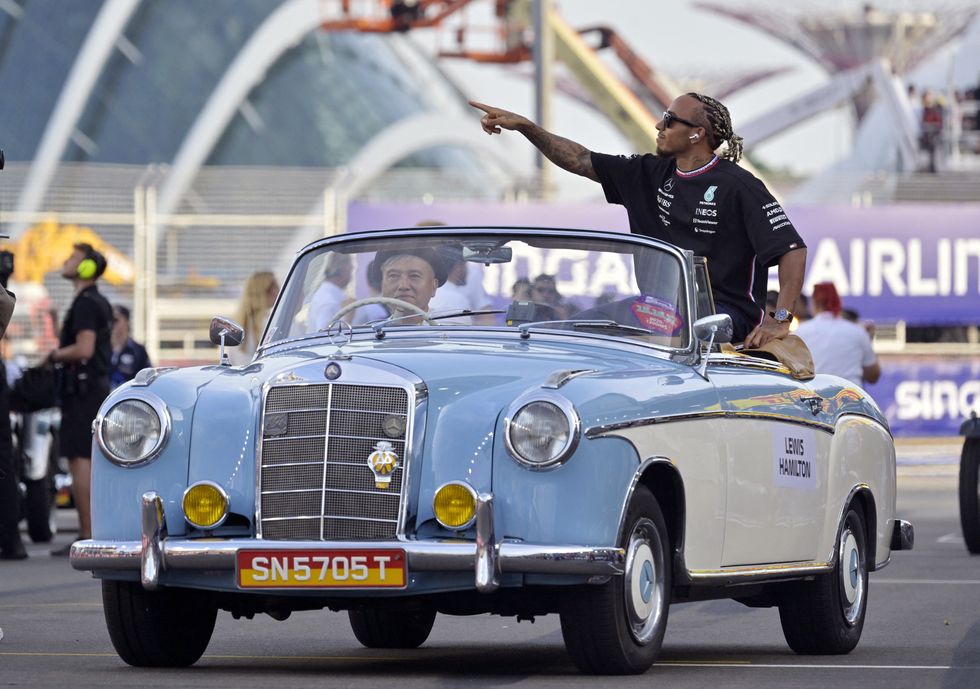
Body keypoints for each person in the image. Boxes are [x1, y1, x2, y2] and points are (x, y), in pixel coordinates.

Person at [470, 93, 807, 347]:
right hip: (656, 309)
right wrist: (527, 127)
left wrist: (780, 320)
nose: (659, 126)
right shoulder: (648, 172)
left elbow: (792, 250)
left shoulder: (740, 185)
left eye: (670, 119)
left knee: (667, 328)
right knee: (567, 334)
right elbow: (580, 159)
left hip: (723, 314)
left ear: (696, 134)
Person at [46, 243, 113, 556]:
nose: (66, 260)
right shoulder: (94, 301)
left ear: (87, 267)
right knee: (82, 460)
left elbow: (84, 349)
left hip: (83, 392)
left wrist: (53, 355)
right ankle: (88, 530)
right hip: (91, 390)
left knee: (80, 461)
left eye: (72, 257)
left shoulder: (86, 303)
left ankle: (86, 532)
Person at [794, 282, 880, 388]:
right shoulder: (858, 332)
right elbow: (873, 376)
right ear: (838, 302)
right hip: (851, 398)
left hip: (813, 399)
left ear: (815, 303)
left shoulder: (800, 332)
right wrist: (869, 341)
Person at [370, 248, 448, 325]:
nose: (403, 286)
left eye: (414, 276)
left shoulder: (451, 331)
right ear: (382, 285)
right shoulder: (371, 334)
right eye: (393, 276)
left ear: (434, 286)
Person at [230, 271, 279, 365]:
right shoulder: (275, 322)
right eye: (276, 287)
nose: (279, 292)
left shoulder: (236, 327)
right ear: (271, 291)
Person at [109, 304, 151, 388]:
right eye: (109, 320)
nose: (112, 324)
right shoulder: (101, 349)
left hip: (128, 397)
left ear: (127, 321)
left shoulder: (138, 350)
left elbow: (148, 377)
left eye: (115, 320)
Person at [308, 254, 353, 332]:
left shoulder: (329, 294)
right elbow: (323, 335)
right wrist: (348, 319)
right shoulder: (328, 301)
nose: (351, 273)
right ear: (343, 270)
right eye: (350, 268)